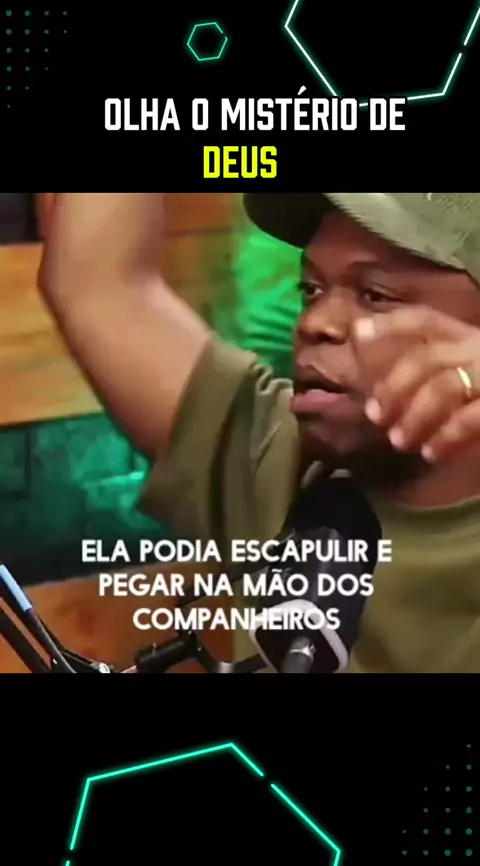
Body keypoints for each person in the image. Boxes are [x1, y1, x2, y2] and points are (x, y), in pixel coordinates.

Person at [39, 193, 480, 673]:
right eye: (311, 288)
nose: (315, 322)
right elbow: (98, 284)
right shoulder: (279, 459)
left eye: (376, 295)